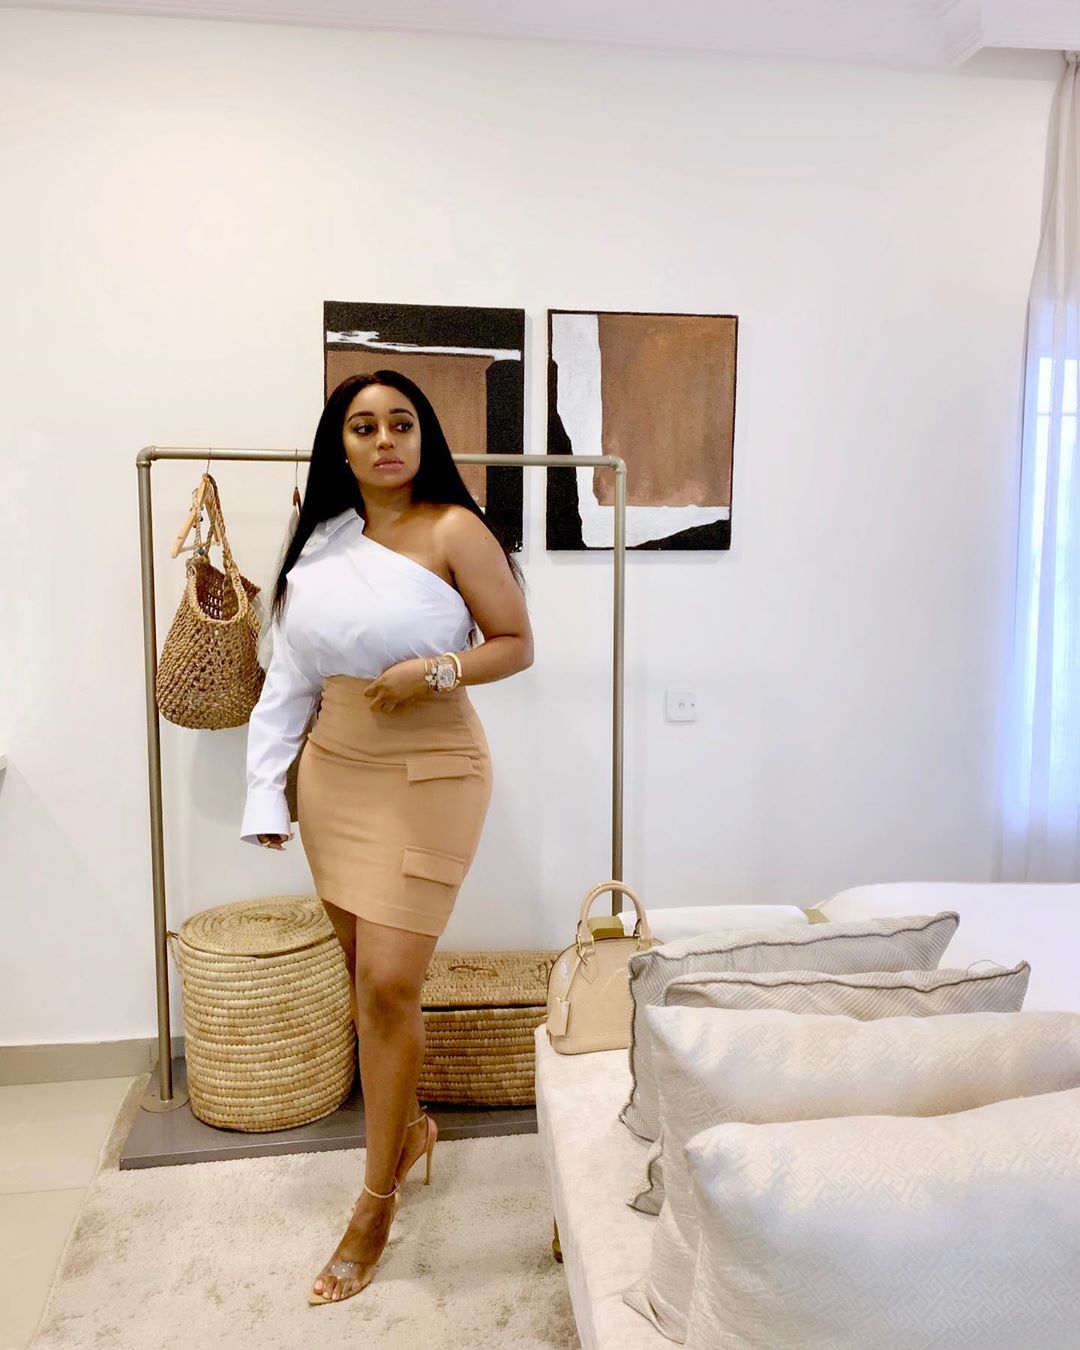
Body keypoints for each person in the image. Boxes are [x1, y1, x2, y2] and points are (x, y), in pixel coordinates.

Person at [240, 369, 533, 1306]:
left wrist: (435, 672)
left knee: (389, 983)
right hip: (335, 771)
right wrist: (266, 794)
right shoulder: (321, 540)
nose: (384, 441)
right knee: (365, 979)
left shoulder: (454, 530)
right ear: (341, 445)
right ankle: (405, 1134)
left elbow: (515, 642)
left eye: (400, 423)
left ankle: (372, 1206)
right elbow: (288, 677)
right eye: (363, 427)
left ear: (422, 435)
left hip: (433, 771)